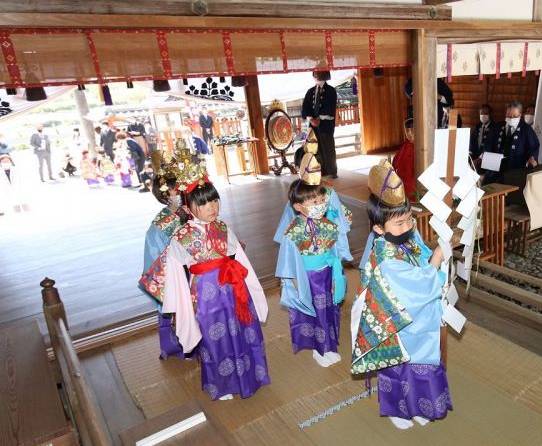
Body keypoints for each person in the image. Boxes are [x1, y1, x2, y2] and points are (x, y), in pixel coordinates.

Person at [140, 165, 271, 401]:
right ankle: (221, 383)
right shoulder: (182, 236)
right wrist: (180, 309)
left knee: (242, 331)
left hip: (233, 289)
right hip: (205, 294)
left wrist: (253, 291)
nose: (212, 208)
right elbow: (176, 275)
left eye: (214, 201)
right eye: (204, 203)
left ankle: (250, 376)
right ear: (189, 206)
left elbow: (242, 261)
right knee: (215, 338)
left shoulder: (223, 227)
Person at [351, 160, 452, 430]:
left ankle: (418, 406)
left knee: (420, 364)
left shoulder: (406, 238)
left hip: (416, 316)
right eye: (399, 223)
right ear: (378, 229)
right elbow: (418, 281)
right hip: (394, 321)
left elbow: (423, 259)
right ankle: (397, 409)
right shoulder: (384, 256)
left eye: (410, 219)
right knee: (398, 367)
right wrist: (437, 263)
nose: (408, 227)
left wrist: (437, 268)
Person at [273, 132, 353, 367]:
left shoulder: (328, 225)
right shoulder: (293, 232)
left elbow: (337, 246)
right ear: (298, 207)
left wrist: (337, 268)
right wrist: (295, 284)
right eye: (314, 203)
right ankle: (320, 349)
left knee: (330, 309)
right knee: (314, 313)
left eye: (321, 202)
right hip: (307, 277)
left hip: (326, 272)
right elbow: (288, 263)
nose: (320, 206)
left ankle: (330, 344)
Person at [141, 149, 190, 359]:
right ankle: (176, 347)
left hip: (193, 269)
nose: (179, 192)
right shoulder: (158, 226)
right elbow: (155, 256)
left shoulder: (189, 212)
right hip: (172, 272)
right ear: (164, 195)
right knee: (174, 309)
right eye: (174, 190)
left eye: (181, 187)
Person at [479, 101, 539, 185]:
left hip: (515, 169)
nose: (511, 118)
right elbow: (488, 144)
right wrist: (483, 156)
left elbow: (534, 147)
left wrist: (532, 158)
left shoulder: (526, 130)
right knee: (487, 186)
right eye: (508, 116)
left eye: (514, 116)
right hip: (495, 167)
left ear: (520, 115)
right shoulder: (498, 127)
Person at [302, 70, 338, 178]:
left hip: (326, 124)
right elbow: (305, 107)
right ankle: (318, 170)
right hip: (313, 125)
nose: (316, 75)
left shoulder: (331, 91)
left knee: (328, 147)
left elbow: (330, 108)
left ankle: (331, 171)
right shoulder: (310, 91)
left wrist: (319, 118)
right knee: (314, 148)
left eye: (318, 73)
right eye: (314, 74)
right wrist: (311, 119)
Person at [392, 118, 416, 198]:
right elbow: (395, 163)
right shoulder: (404, 146)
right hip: (402, 181)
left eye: (412, 130)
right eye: (407, 130)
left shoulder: (422, 148)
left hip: (414, 182)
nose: (409, 133)